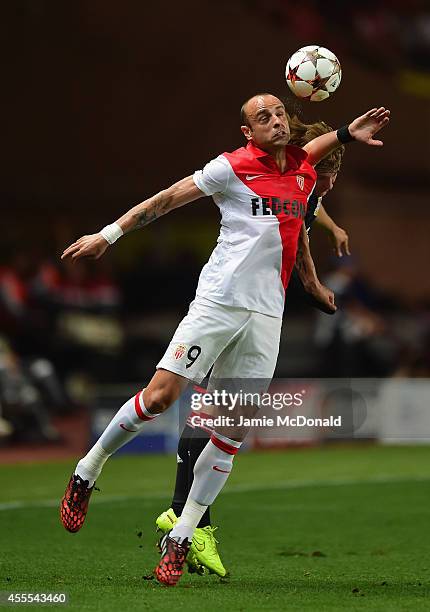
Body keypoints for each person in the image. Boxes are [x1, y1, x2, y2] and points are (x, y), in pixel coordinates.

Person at [59, 93, 390, 586]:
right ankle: (88, 469)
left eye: (279, 113)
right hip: (217, 303)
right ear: (247, 133)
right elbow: (166, 199)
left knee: (232, 430)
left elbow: (299, 218)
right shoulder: (229, 168)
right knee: (160, 396)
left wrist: (312, 283)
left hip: (266, 316)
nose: (276, 121)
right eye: (264, 117)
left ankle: (183, 536)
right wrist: (108, 236)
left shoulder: (303, 171)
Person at [154, 119, 349, 579]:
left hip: (252, 301)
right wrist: (313, 282)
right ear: (326, 172)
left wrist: (332, 227)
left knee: (216, 409)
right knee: (212, 410)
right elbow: (301, 224)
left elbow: (309, 216)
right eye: (332, 178)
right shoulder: (299, 179)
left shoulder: (305, 187)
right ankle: (186, 518)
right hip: (232, 297)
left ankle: (187, 521)